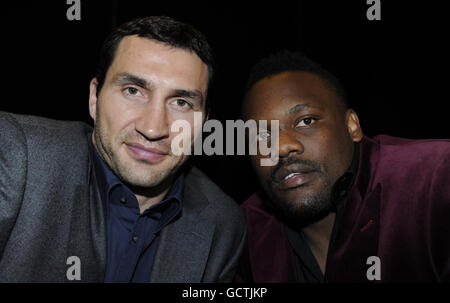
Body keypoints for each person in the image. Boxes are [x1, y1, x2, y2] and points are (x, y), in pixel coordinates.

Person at [0, 16, 245, 283]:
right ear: (95, 98)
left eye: (181, 103)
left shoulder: (225, 224)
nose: (153, 129)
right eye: (133, 91)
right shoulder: (16, 154)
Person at [236, 50, 450, 282]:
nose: (282, 146)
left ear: (352, 125)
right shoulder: (243, 235)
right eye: (260, 136)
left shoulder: (435, 178)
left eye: (306, 121)